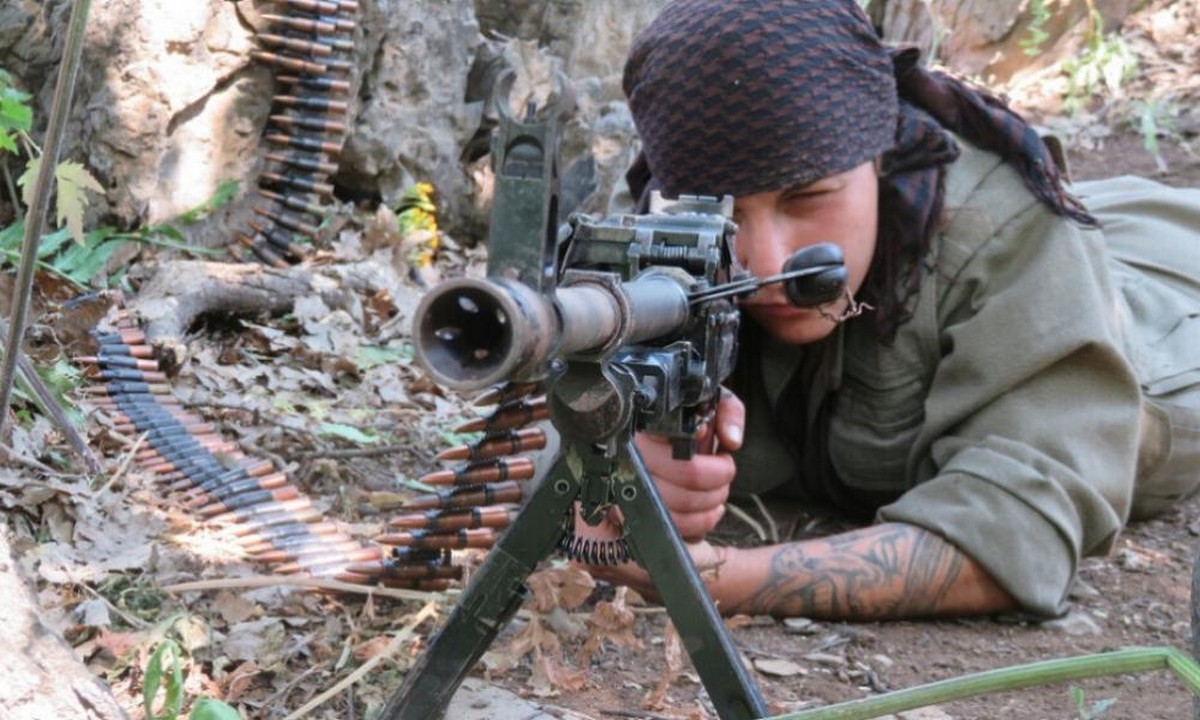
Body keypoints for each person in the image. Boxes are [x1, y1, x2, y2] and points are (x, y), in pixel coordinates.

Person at [585, 0, 1200, 621]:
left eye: (808, 198)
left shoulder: (1007, 232)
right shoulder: (662, 229)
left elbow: (1015, 534)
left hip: (1171, 277)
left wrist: (709, 577)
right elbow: (564, 404)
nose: (764, 262)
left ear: (881, 157)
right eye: (727, 212)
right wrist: (616, 457)